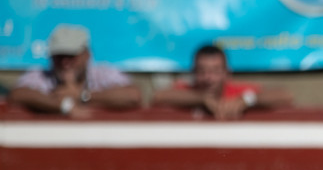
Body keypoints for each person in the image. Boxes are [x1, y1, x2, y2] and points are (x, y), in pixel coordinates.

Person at [11, 25, 142, 118]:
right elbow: (18, 94)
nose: (65, 62)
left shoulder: (102, 73)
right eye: (59, 56)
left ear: (87, 54)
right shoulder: (42, 75)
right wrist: (65, 105)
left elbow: (133, 95)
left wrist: (82, 96)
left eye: (71, 55)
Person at [152, 45, 292, 120]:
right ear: (193, 72)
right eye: (202, 71)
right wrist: (201, 98)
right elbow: (158, 96)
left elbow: (285, 95)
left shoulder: (239, 92)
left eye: (215, 71)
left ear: (227, 73)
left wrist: (246, 100)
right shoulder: (187, 90)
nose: (208, 78)